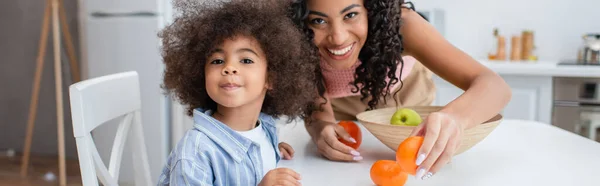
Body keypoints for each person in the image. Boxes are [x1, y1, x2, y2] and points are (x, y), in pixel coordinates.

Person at [288, 0, 512, 180]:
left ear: (371, 10)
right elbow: (317, 107)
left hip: (404, 94)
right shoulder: (293, 35)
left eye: (350, 15)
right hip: (337, 104)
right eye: (318, 20)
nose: (338, 37)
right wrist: (321, 126)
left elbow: (495, 86)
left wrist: (454, 118)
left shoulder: (402, 24)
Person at [157, 0, 319, 185]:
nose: (229, 68)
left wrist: (269, 150)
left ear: (271, 78)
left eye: (246, 60)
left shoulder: (265, 128)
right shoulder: (195, 152)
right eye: (217, 61)